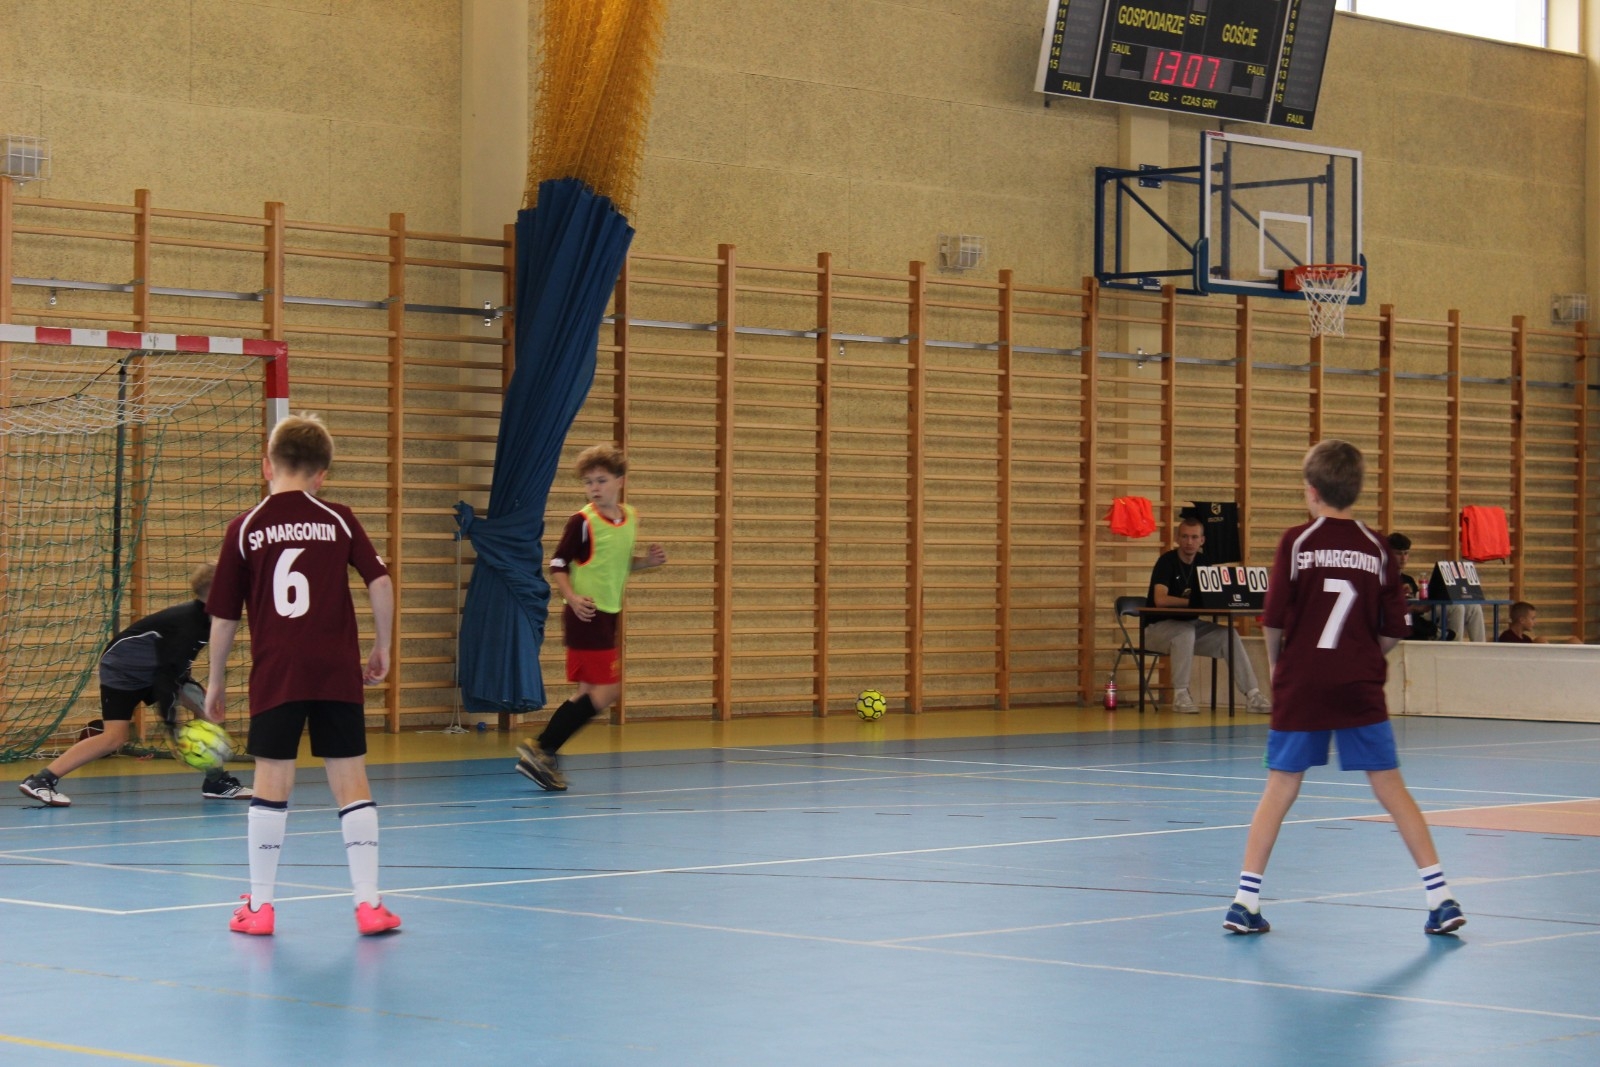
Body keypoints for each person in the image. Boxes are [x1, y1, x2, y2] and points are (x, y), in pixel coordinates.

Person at [1223, 440, 1465, 937]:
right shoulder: (1378, 547)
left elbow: (1273, 618)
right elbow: (1396, 628)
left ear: (1311, 490)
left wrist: (1278, 667)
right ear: (1356, 489)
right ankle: (1440, 897)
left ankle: (1244, 901)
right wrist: (1364, 657)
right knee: (1390, 787)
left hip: (1303, 681)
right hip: (1357, 684)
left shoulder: (1297, 541)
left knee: (1281, 786)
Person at [204, 413, 399, 937]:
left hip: (279, 670)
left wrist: (216, 680)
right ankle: (369, 904)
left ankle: (261, 907)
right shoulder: (339, 519)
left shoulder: (245, 527)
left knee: (273, 781)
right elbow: (380, 582)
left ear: (267, 465)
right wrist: (382, 646)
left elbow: (224, 616)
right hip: (336, 667)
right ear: (322, 474)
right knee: (350, 779)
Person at [18, 563, 253, 807]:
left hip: (155, 669)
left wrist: (188, 690)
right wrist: (172, 727)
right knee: (114, 738)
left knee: (208, 709)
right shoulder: (190, 624)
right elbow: (166, 676)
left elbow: (175, 664)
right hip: (123, 671)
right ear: (217, 593)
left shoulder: (210, 619)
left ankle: (216, 782)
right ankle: (42, 780)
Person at [515, 445, 667, 791]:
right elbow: (558, 563)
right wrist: (571, 597)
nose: (595, 488)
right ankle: (542, 748)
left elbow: (618, 563)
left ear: (620, 481)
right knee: (608, 690)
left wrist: (647, 562)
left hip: (609, 615)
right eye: (588, 482)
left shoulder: (630, 518)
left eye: (601, 480)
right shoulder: (582, 522)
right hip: (586, 615)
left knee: (587, 691)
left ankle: (542, 752)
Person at [1143, 516, 1270, 714]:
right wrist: (1192, 603)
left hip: (1191, 626)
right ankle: (1181, 695)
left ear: (1202, 540)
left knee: (1228, 634)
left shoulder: (1204, 563)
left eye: (1194, 537)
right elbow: (1160, 599)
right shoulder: (1166, 561)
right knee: (1184, 632)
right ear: (1177, 538)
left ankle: (1253, 694)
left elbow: (1211, 597)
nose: (1189, 541)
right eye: (1185, 536)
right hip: (1157, 629)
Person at [1386, 532, 1438, 641]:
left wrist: (1421, 606)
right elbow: (1385, 611)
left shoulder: (1408, 579)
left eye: (1406, 553)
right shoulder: (1382, 578)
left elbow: (1417, 603)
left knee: (1459, 609)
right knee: (1409, 619)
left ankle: (1444, 635)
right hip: (1397, 620)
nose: (1403, 558)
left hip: (1415, 616)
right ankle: (1436, 632)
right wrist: (1412, 609)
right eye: (1398, 554)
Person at [1497, 601, 1581, 644]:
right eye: (1532, 618)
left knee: (1574, 641)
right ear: (1522, 620)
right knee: (1541, 640)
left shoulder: (1526, 639)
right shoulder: (1506, 638)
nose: (1535, 622)